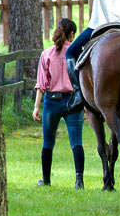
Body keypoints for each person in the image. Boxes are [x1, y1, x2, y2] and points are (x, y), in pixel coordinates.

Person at [33, 18, 85, 188]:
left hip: (52, 102)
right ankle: (79, 180)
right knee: (76, 141)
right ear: (71, 34)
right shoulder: (77, 54)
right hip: (73, 101)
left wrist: (36, 107)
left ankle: (46, 180)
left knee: (48, 142)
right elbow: (84, 82)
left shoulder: (46, 54)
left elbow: (41, 84)